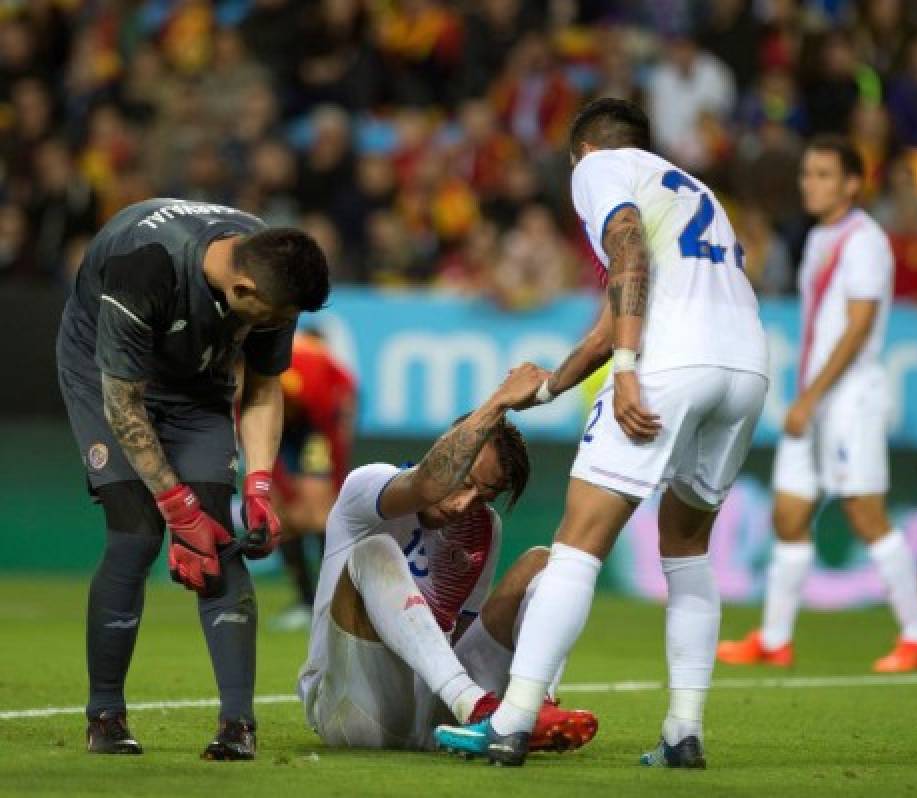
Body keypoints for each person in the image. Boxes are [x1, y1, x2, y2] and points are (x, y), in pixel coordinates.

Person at [435, 98, 770, 768]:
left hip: (670, 364)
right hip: (748, 368)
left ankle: (513, 720)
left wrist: (624, 369)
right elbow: (622, 300)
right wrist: (554, 385)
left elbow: (628, 255)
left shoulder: (598, 169)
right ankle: (683, 731)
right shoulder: (689, 188)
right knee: (687, 550)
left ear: (582, 151)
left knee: (577, 545)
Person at [55, 198, 330, 759]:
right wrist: (177, 509)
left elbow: (263, 385)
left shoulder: (275, 268)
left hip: (198, 381)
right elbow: (125, 408)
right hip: (105, 376)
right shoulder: (144, 266)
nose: (279, 329)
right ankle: (105, 714)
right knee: (136, 535)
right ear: (243, 289)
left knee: (220, 544)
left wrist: (257, 485)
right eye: (273, 319)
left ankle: (238, 725)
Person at [717, 136, 917, 674]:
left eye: (822, 174)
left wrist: (813, 396)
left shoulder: (864, 240)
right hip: (815, 396)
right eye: (806, 174)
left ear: (851, 184)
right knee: (789, 514)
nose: (809, 183)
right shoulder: (821, 236)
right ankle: (774, 638)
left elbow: (860, 325)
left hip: (849, 397)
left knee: (865, 513)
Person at [298, 365, 598, 753]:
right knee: (374, 552)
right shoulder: (367, 489)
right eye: (465, 481)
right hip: (353, 711)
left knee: (545, 564)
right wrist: (500, 400)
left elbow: (460, 637)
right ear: (447, 451)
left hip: (431, 714)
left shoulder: (481, 528)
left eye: (484, 496)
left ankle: (534, 709)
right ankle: (473, 705)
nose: (464, 504)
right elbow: (424, 484)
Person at [270, 328, 357, 631]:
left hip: (313, 430)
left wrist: (335, 478)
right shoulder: (248, 385)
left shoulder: (314, 375)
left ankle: (331, 602)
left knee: (319, 513)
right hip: (281, 427)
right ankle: (306, 602)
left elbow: (335, 426)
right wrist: (282, 487)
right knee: (281, 516)